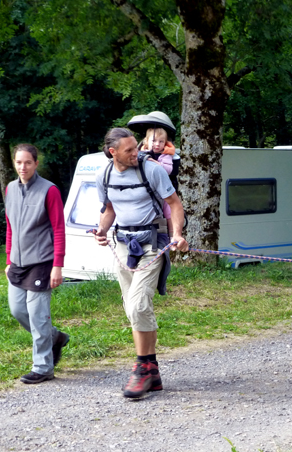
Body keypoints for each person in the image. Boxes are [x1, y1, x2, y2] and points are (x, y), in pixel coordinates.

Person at [94, 127, 188, 399]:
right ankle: (152, 370)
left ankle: (142, 369)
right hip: (123, 244)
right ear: (113, 152)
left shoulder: (152, 170)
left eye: (137, 146)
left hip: (152, 242)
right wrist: (101, 230)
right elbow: (109, 209)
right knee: (132, 308)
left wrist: (177, 234)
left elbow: (175, 204)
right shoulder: (104, 175)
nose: (137, 152)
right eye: (130, 150)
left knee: (138, 305)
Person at [5, 144, 70, 384]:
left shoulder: (49, 190)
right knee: (18, 310)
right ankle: (55, 337)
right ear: (14, 163)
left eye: (28, 162)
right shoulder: (10, 189)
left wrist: (57, 266)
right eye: (19, 162)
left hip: (42, 261)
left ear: (36, 164)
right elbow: (10, 226)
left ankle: (42, 367)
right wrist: (8, 259)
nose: (23, 167)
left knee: (38, 315)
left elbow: (59, 229)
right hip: (17, 263)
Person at [144, 126, 176, 235]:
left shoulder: (166, 155)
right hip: (147, 188)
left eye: (161, 141)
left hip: (163, 188)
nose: (157, 144)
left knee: (169, 210)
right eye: (154, 141)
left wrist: (154, 162)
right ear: (146, 141)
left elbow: (168, 169)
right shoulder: (141, 153)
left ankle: (172, 233)